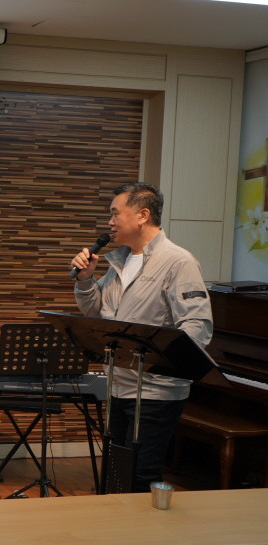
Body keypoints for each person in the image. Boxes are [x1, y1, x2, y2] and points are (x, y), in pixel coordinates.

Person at [70, 182, 212, 492]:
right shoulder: (119, 261)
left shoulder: (178, 261)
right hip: (119, 385)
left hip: (155, 391)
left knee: (140, 475)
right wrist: (85, 280)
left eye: (115, 213)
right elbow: (95, 312)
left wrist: (160, 364)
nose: (110, 222)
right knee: (117, 471)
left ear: (142, 215)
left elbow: (197, 326)